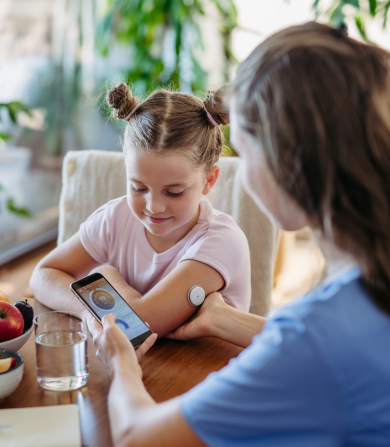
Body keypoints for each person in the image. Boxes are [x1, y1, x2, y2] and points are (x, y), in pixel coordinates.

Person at [87, 22, 390, 446]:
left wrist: (120, 359)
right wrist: (233, 321)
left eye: (245, 153)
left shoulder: (312, 338)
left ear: (288, 165)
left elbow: (138, 437)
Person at [30, 83, 251, 336]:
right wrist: (90, 309)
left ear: (209, 180)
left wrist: (106, 277)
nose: (153, 206)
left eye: (174, 192)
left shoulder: (221, 242)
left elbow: (143, 323)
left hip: (204, 371)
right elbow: (43, 275)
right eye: (138, 188)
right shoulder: (115, 218)